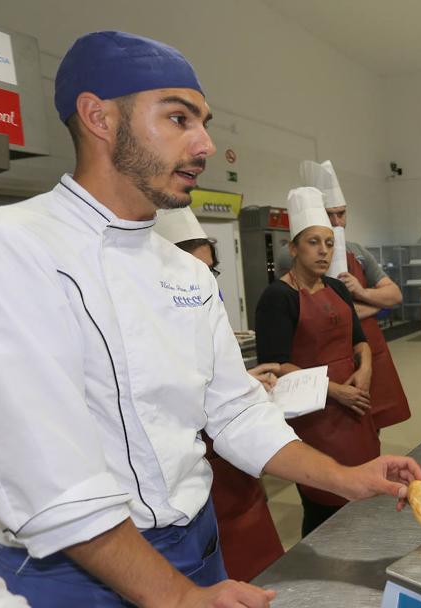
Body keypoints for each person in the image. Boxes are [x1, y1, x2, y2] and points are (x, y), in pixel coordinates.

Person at [0, 31, 421, 607]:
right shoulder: (15, 250)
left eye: (204, 121)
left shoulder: (187, 274)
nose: (205, 144)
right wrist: (175, 598)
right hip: (71, 571)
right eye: (178, 118)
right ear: (98, 117)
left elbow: (236, 411)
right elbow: (51, 477)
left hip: (196, 544)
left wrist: (347, 477)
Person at [155, 207, 285, 582]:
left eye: (209, 271)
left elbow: (212, 377)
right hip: (185, 495)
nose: (201, 281)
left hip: (234, 471)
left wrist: (241, 380)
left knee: (262, 571)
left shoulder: (206, 308)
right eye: (190, 270)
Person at [255, 187, 383, 536]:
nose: (323, 250)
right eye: (313, 242)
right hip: (314, 414)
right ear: (293, 247)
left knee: (366, 487)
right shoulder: (277, 297)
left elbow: (360, 338)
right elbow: (276, 365)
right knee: (324, 500)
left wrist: (366, 369)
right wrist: (336, 391)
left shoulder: (337, 288)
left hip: (355, 406)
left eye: (329, 243)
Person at [300, 160, 411, 430]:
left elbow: (395, 295)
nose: (338, 222)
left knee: (373, 421)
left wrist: (361, 292)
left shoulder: (358, 252)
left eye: (342, 214)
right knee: (332, 426)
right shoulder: (298, 258)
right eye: (331, 215)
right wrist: (371, 306)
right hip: (326, 356)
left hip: (368, 348)